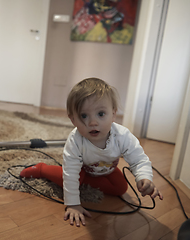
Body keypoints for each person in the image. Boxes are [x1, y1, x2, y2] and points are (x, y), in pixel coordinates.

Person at [20, 77, 163, 227]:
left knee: (121, 187)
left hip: (107, 170)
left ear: (113, 114)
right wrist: (73, 204)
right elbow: (70, 173)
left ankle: (83, 183)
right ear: (73, 120)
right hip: (81, 169)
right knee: (70, 179)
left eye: (101, 114)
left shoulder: (122, 136)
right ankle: (42, 169)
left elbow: (139, 159)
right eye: (84, 116)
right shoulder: (75, 140)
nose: (92, 122)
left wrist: (144, 177)